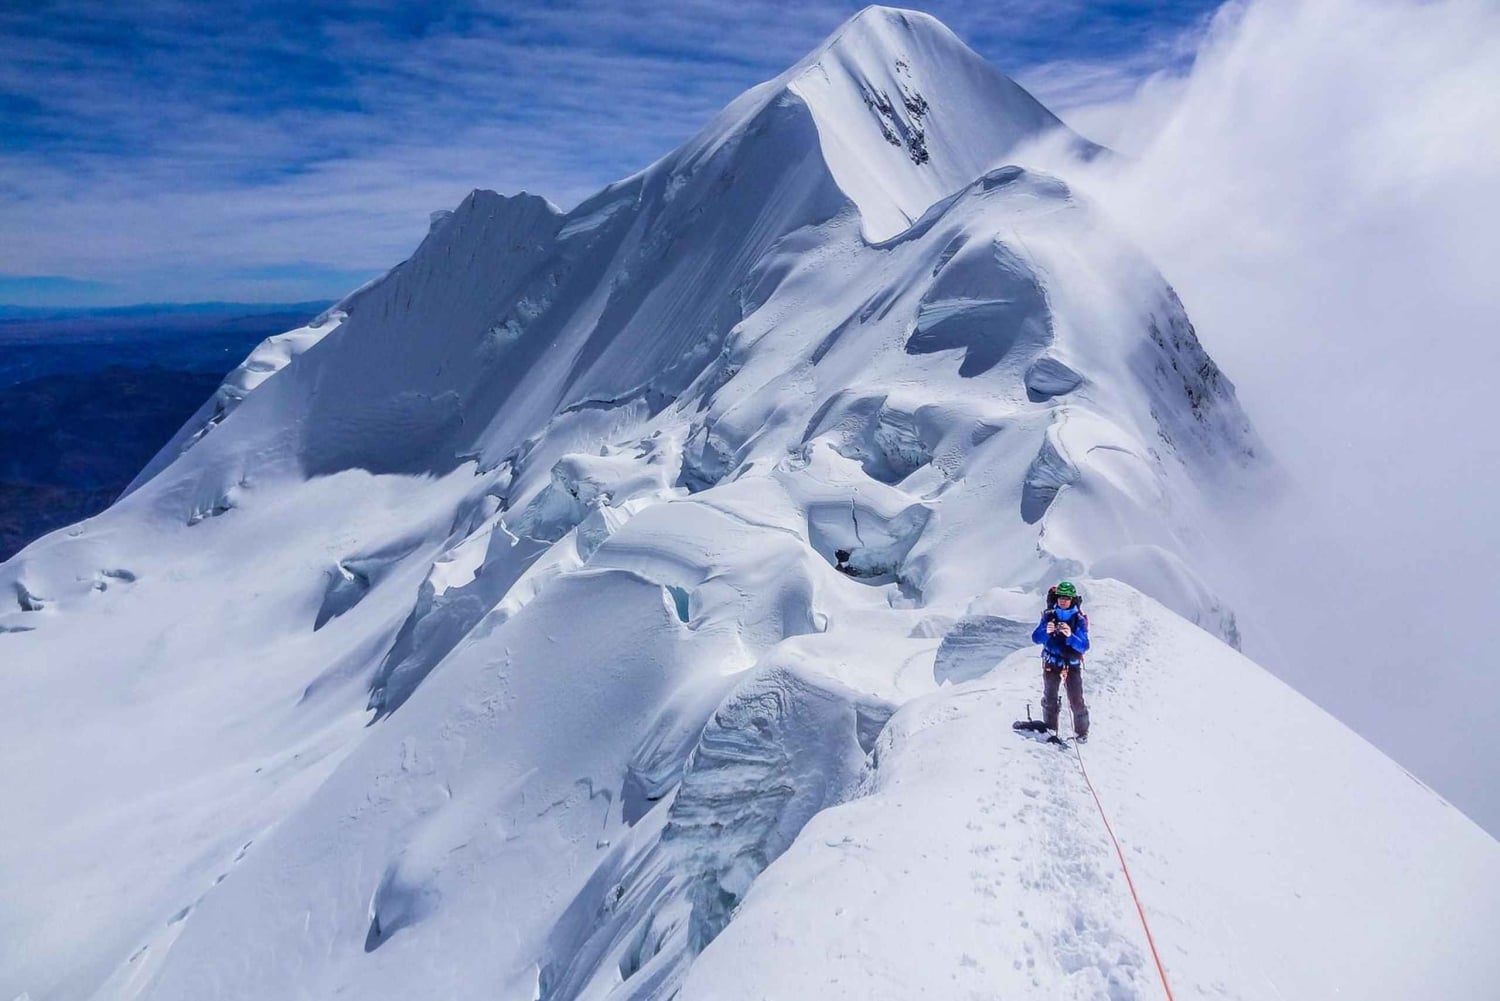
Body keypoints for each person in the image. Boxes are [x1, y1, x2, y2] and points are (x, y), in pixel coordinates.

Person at [1031, 580, 1090, 741]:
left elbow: (1084, 645)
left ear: (1072, 599)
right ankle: (1050, 728)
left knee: (1076, 700)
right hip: (1051, 662)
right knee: (1049, 697)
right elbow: (1036, 638)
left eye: (1066, 598)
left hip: (1071, 665)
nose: (1063, 600)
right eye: (1060, 597)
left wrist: (1071, 636)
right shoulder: (1049, 615)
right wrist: (1045, 631)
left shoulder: (1079, 619)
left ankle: (1082, 733)